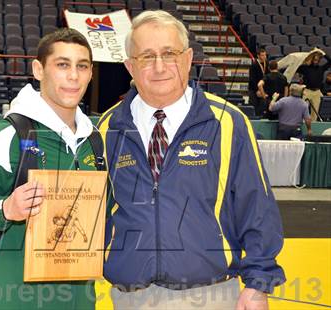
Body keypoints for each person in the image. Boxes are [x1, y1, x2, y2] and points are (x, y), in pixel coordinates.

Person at [98, 10, 285, 310]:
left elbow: (256, 206)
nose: (159, 66)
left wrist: (258, 283)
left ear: (187, 59)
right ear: (130, 67)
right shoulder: (107, 129)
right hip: (130, 298)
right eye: (146, 57)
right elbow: (95, 213)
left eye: (169, 53)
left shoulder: (227, 122)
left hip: (211, 295)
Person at [0, 28, 98, 309]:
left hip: (79, 299)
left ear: (90, 73)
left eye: (82, 66)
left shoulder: (94, 142)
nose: (74, 76)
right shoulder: (11, 134)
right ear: (39, 70)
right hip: (14, 299)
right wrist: (6, 209)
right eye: (62, 65)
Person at [297, 51, 331, 121]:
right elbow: (296, 67)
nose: (316, 61)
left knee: (315, 113)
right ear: (312, 59)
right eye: (315, 59)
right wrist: (306, 59)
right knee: (303, 110)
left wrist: (324, 54)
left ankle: (312, 127)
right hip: (307, 91)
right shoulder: (305, 68)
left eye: (317, 60)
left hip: (317, 92)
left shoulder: (321, 68)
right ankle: (302, 125)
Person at [248, 48, 269, 116]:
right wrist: (257, 90)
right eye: (262, 55)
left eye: (265, 55)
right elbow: (252, 79)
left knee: (262, 106)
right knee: (254, 105)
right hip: (254, 89)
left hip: (263, 89)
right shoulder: (254, 65)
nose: (264, 57)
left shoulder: (267, 64)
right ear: (258, 56)